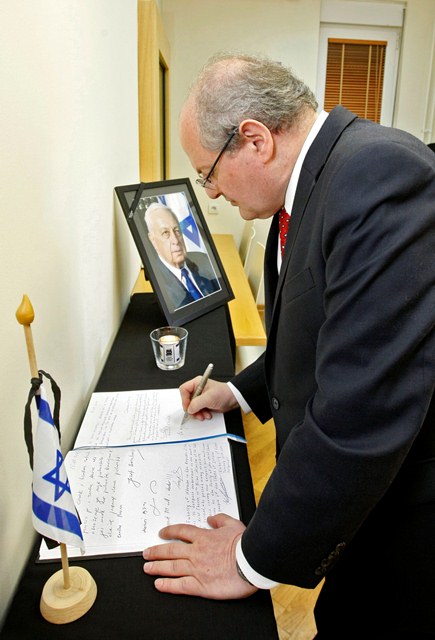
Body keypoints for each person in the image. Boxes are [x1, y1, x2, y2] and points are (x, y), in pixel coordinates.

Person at [142, 53, 435, 637]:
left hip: (404, 516)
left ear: (253, 140)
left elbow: (360, 415)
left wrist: (249, 559)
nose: (213, 194)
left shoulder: (377, 175)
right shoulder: (321, 181)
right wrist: (238, 391)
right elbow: (320, 329)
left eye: (208, 174)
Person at [145, 202, 220, 310]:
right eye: (165, 233)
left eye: (177, 231)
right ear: (153, 240)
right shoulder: (159, 281)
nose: (175, 240)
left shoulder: (204, 259)